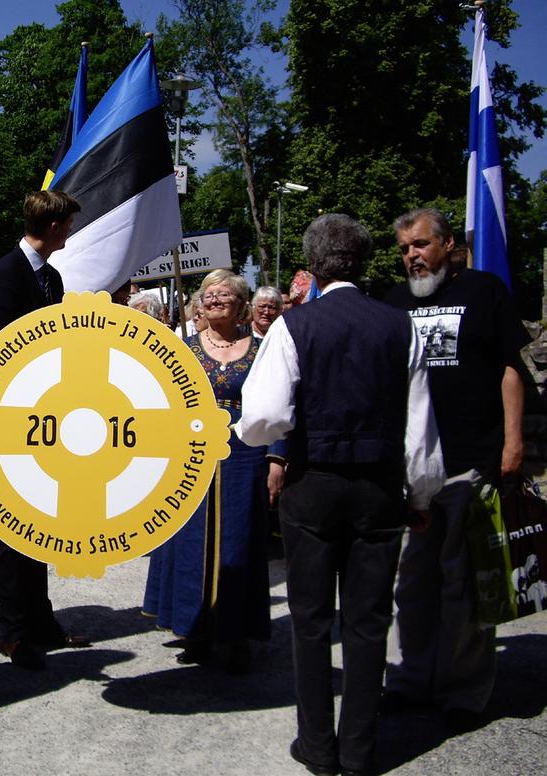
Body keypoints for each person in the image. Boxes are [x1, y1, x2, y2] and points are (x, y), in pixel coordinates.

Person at [235, 214, 444, 776]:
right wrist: (421, 498)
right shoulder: (401, 326)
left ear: (314, 266)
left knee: (309, 618)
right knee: (368, 620)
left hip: (313, 486)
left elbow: (264, 414)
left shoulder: (294, 327)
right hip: (378, 487)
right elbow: (419, 430)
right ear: (363, 260)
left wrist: (254, 438)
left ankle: (318, 747)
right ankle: (359, 749)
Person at [383, 207, 530, 732]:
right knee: (411, 581)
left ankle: (463, 691)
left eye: (420, 245)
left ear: (448, 245)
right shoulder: (395, 302)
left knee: (464, 581)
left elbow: (511, 370)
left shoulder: (486, 292)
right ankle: (406, 680)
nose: (411, 257)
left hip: (472, 461)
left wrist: (514, 442)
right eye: (404, 249)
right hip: (413, 469)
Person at [142, 270, 283, 674]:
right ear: (199, 303)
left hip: (246, 457)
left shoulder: (262, 350)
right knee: (191, 543)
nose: (215, 300)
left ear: (243, 304)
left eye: (225, 294)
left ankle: (237, 634)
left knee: (239, 545)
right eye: (209, 294)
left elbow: (282, 406)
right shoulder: (181, 350)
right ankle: (195, 630)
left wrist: (278, 458)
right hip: (191, 456)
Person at [0, 189, 91, 670]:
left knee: (41, 524)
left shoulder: (52, 276)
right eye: (68, 224)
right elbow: (4, 348)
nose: (71, 232)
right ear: (52, 227)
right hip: (13, 413)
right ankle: (13, 634)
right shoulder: (5, 274)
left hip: (48, 412)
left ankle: (40, 619)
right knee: (10, 527)